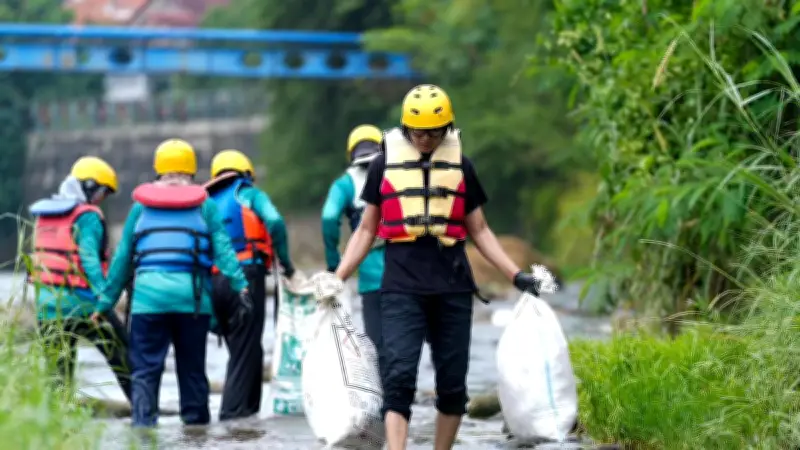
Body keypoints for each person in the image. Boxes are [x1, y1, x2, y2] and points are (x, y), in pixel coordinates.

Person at [311, 84, 543, 450]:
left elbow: (479, 229)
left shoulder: (461, 166)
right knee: (398, 377)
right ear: (405, 130)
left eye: (433, 132)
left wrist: (516, 275)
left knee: (453, 386)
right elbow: (367, 230)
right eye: (417, 132)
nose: (424, 139)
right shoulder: (383, 165)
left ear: (446, 129)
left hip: (452, 286)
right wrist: (336, 278)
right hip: (401, 285)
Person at [90, 138, 250, 428]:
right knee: (192, 374)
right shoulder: (206, 207)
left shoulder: (140, 209)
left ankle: (143, 433)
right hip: (192, 302)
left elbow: (122, 261)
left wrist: (103, 304)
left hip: (148, 303)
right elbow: (225, 251)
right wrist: (242, 286)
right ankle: (196, 436)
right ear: (191, 169)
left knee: (145, 373)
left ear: (158, 169)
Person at [204, 148, 300, 421]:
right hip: (245, 276)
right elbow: (275, 221)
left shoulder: (206, 203)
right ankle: (232, 421)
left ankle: (248, 418)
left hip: (212, 282)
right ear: (246, 174)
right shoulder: (248, 193)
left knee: (246, 350)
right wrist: (286, 263)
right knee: (244, 352)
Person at [28, 156, 132, 401]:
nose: (101, 200)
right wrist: (106, 301)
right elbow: (90, 262)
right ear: (89, 187)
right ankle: (146, 419)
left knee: (58, 377)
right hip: (85, 306)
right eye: (102, 193)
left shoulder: (45, 216)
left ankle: (57, 428)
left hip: (48, 309)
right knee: (124, 359)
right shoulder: (87, 217)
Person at [321, 124, 386, 350]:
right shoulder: (401, 176)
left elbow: (329, 218)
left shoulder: (345, 185)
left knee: (377, 347)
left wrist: (334, 265)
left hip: (372, 279)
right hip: (408, 275)